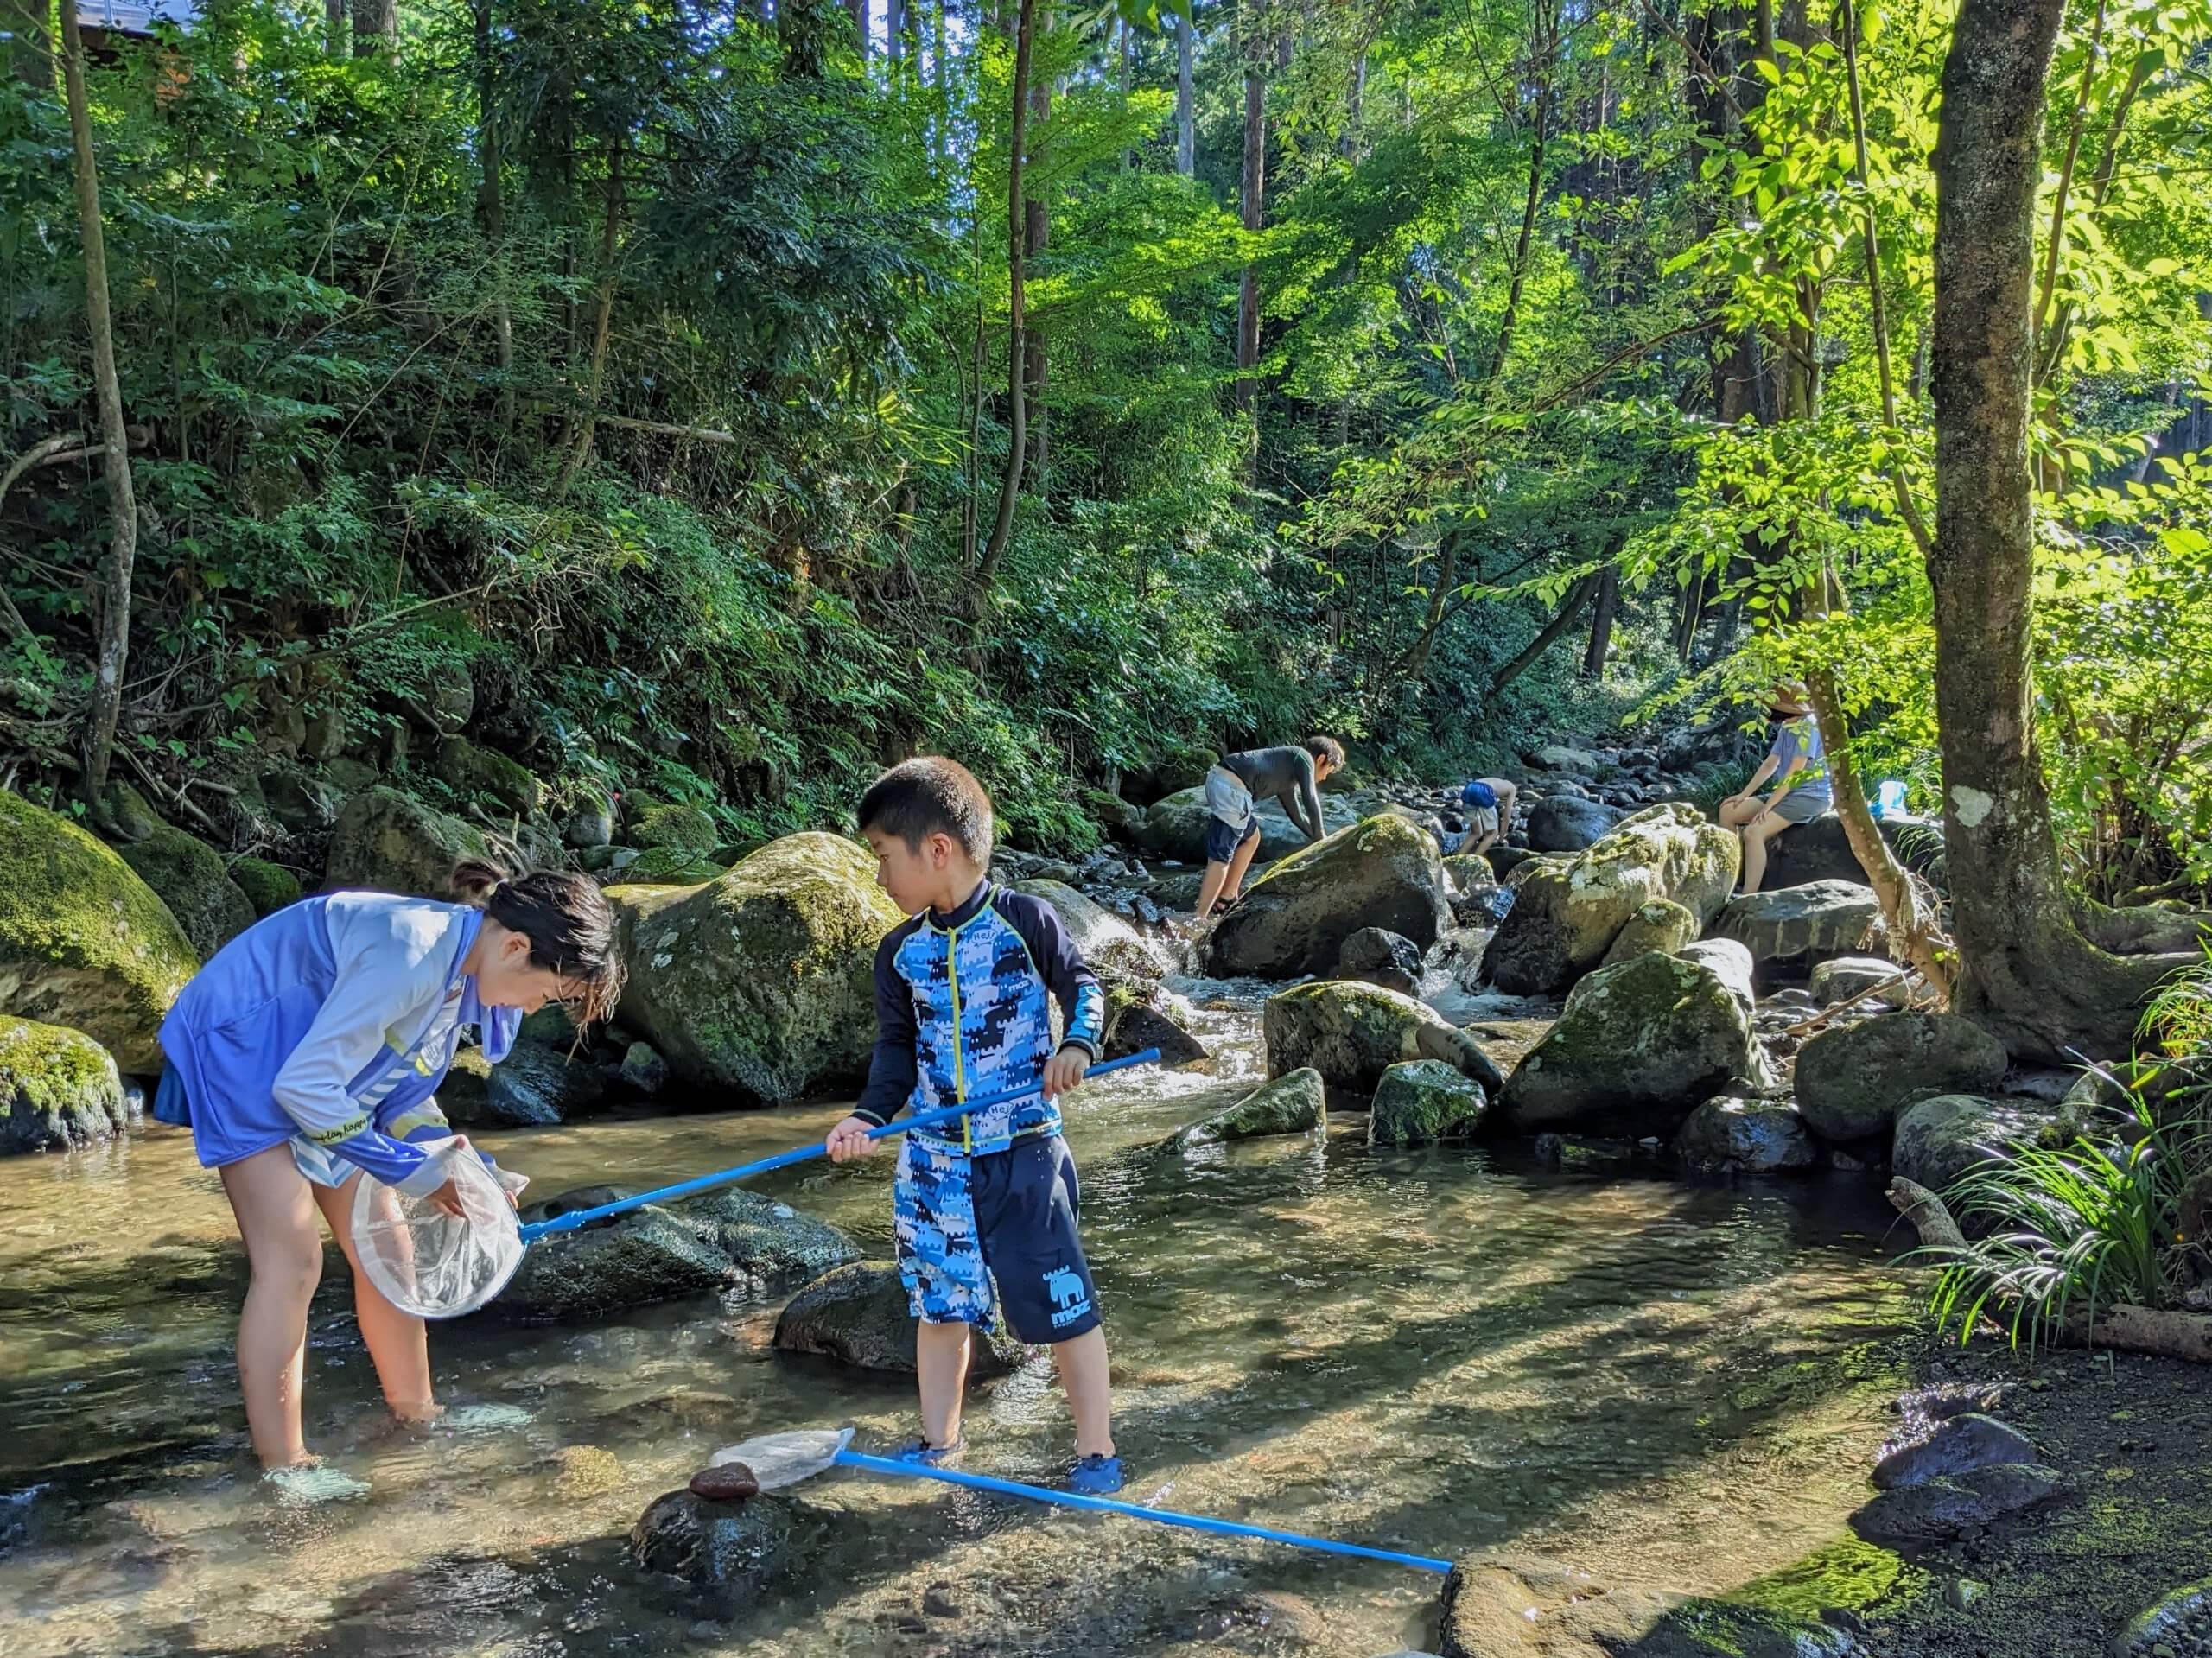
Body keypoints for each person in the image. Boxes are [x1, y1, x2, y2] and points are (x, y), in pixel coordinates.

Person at [153, 860, 623, 1495]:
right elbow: (301, 1086)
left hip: (316, 1071)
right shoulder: (411, 953)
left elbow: (397, 1091)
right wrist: (418, 1175)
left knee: (387, 1246)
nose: (539, 1008)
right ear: (516, 947)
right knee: (292, 1263)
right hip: (244, 1047)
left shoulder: (463, 975)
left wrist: (466, 1171)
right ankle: (286, 1465)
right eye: (550, 995)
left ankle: (417, 1415)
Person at [825, 757, 1122, 1493]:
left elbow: (1083, 985)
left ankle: (1096, 1452)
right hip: (933, 1163)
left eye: (883, 858)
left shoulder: (1026, 921)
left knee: (1064, 1304)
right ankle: (940, 1442)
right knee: (940, 1304)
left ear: (937, 850)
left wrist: (1077, 1045)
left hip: (1024, 1151)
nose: (879, 877)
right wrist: (867, 1116)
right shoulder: (900, 953)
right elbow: (896, 1053)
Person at [1193, 736, 1345, 919]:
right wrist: (1323, 838)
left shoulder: (1287, 774)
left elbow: (1297, 817)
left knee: (1252, 838)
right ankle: (1199, 917)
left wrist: (1318, 842)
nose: (1324, 778)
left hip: (1226, 784)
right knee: (1221, 857)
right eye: (1328, 771)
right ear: (1321, 759)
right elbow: (1310, 798)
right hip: (1232, 787)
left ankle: (1227, 897)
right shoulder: (1303, 757)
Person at [1718, 684, 1833, 894]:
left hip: (1810, 796)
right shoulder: (1788, 726)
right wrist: (1743, 795)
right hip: (1786, 793)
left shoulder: (1808, 727)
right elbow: (1771, 764)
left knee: (1753, 833)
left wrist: (1769, 806)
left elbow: (1794, 773)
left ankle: (1748, 895)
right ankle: (1730, 877)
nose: (1774, 717)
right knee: (1728, 811)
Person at [1459, 776, 1520, 858]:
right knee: (1492, 833)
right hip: (1483, 791)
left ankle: (1456, 859)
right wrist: (1501, 840)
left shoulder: (1498, 782)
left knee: (1476, 833)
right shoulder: (1512, 788)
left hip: (1469, 788)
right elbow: (1506, 817)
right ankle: (1474, 862)